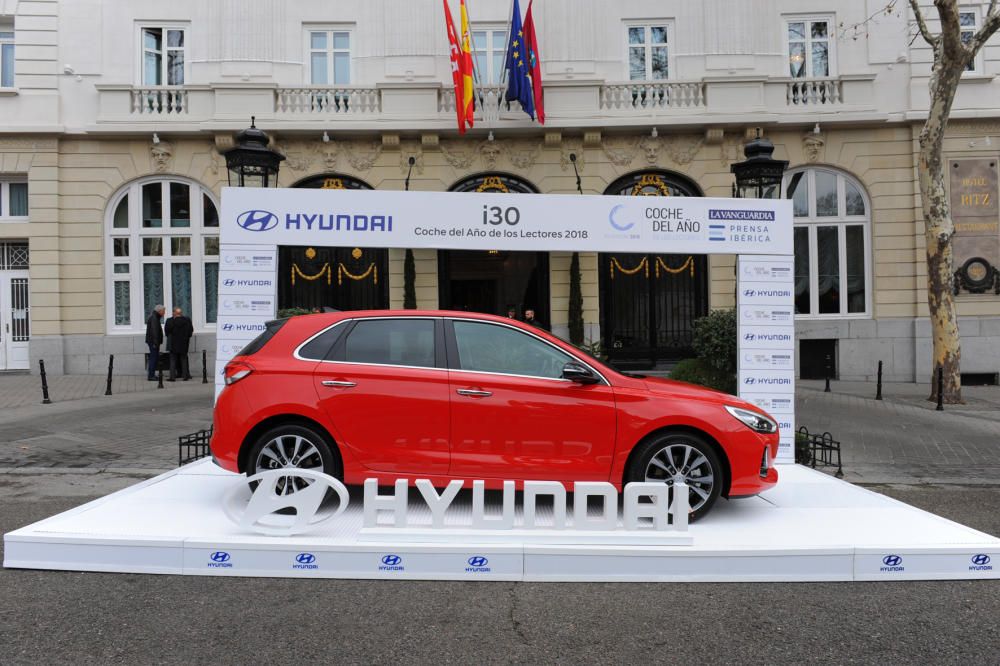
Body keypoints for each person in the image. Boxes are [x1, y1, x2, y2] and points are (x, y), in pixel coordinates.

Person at [164, 306, 194, 381]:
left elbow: (167, 332)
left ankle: (172, 377)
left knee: (173, 360)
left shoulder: (170, 321)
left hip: (173, 343)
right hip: (184, 343)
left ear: (174, 313)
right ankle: (185, 376)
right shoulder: (187, 320)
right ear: (180, 313)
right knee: (183, 359)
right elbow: (190, 331)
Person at [145, 305, 165, 381]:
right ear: (159, 311)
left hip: (153, 341)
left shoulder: (155, 317)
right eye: (163, 311)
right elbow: (154, 331)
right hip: (153, 342)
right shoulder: (154, 318)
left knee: (153, 358)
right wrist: (156, 343)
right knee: (153, 358)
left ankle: (151, 374)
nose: (164, 313)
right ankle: (151, 376)